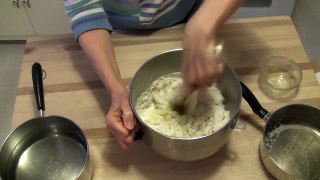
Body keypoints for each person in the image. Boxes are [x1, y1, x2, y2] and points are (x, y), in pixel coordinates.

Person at [64, 0, 245, 149]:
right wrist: (116, 90)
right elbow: (84, 8)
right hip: (115, 34)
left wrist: (204, 24)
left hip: (190, 16)